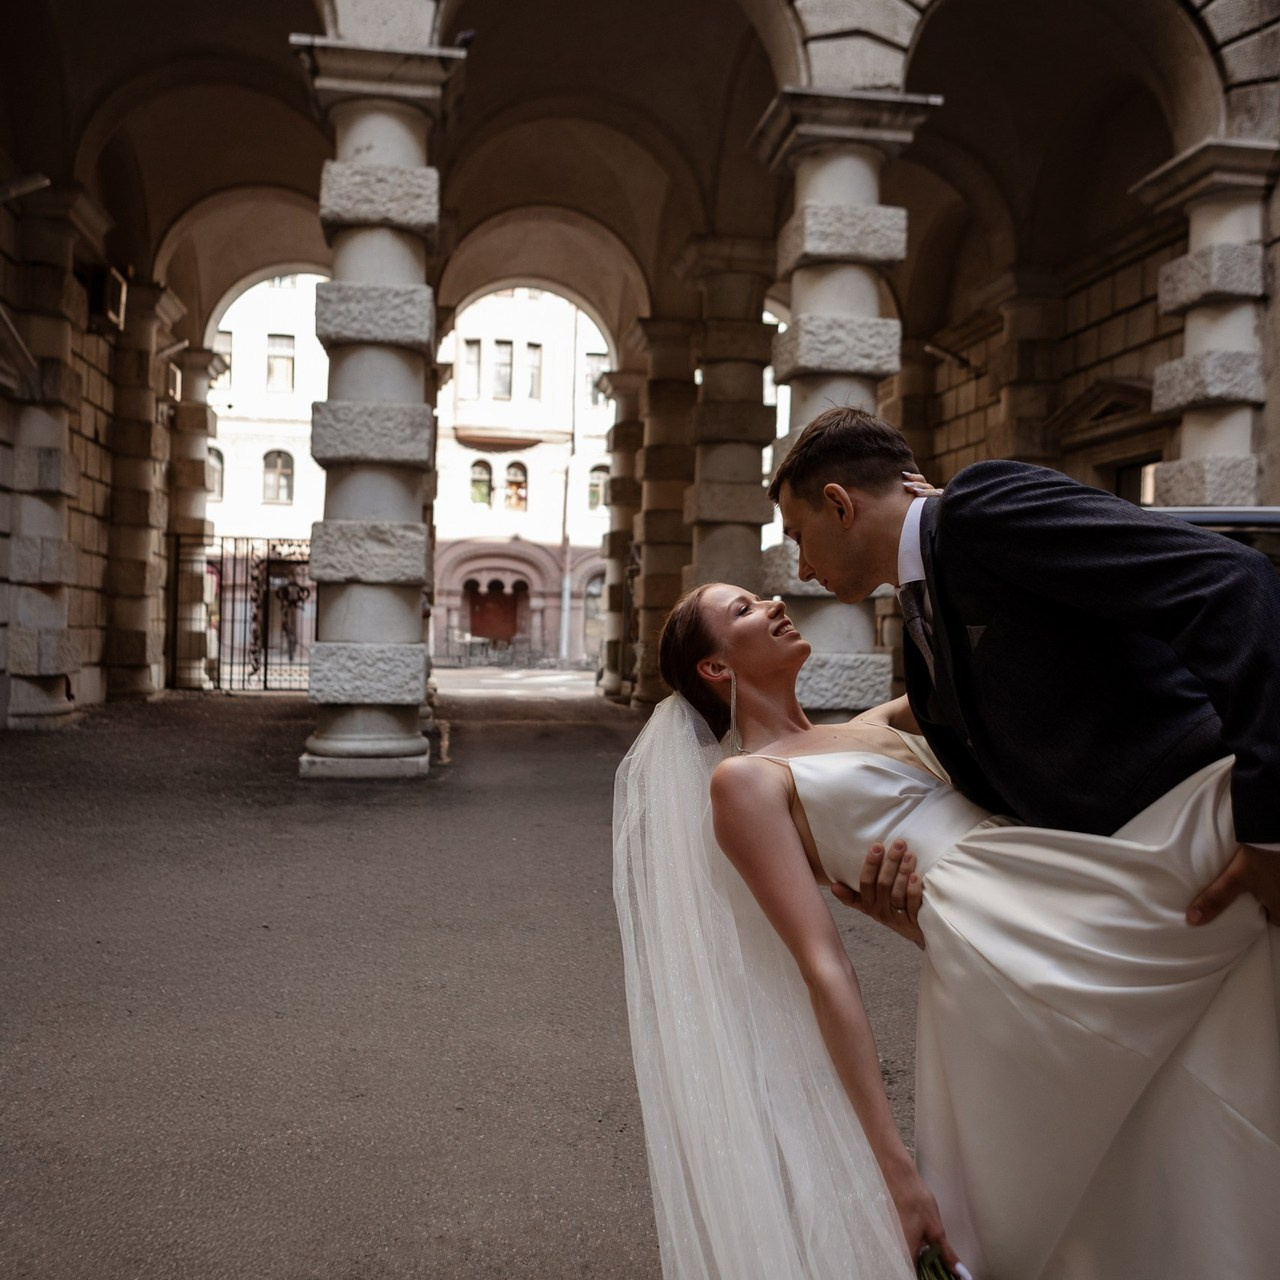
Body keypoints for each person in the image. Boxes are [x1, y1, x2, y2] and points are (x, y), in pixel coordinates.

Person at [613, 583, 1280, 1280]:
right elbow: (823, 965)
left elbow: (976, 661)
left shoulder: (883, 721)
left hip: (1043, 882)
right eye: (744, 610)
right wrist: (889, 1167)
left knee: (1176, 1097)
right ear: (716, 669)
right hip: (1002, 937)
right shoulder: (745, 782)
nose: (777, 602)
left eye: (762, 595)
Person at [769, 406, 1280, 925]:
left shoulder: (976, 507)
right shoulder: (922, 595)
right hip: (1122, 881)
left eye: (798, 539)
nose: (805, 570)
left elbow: (1235, 580)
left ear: (838, 504)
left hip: (1210, 824)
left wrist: (1269, 829)